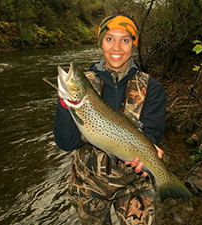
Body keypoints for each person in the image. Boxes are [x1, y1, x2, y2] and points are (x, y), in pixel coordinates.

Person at [53, 13, 167, 225]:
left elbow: (152, 133)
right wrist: (65, 102)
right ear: (101, 43)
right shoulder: (85, 84)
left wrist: (148, 149)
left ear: (133, 44)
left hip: (134, 185)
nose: (116, 47)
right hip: (88, 186)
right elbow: (66, 142)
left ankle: (169, 185)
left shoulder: (153, 88)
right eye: (109, 39)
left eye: (125, 40)